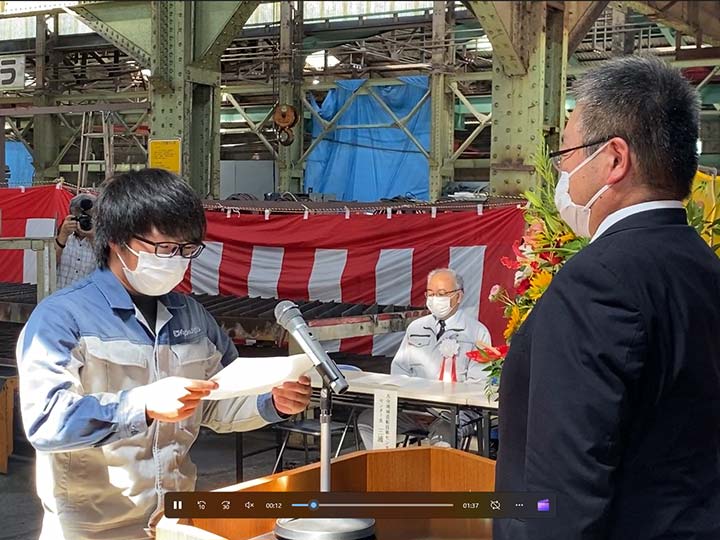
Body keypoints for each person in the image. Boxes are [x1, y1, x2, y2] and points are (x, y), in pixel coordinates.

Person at [17, 169, 312, 540]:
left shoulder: (192, 317)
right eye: (165, 249)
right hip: (91, 528)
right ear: (118, 241)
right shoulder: (62, 318)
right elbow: (46, 422)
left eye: (187, 250)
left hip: (175, 521)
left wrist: (272, 402)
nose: (176, 260)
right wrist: (142, 405)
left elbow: (217, 402)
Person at [494, 56, 720, 540]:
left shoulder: (599, 280)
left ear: (615, 159)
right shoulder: (703, 266)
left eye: (568, 156)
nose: (563, 174)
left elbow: (566, 489)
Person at [357, 268, 491, 449]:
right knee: (368, 420)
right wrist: (412, 403)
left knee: (443, 436)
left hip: (454, 413)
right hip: (414, 408)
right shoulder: (416, 328)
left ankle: (437, 477)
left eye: (442, 294)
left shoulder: (477, 332)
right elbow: (399, 371)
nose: (435, 299)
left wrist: (440, 407)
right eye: (431, 293)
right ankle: (383, 472)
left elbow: (478, 384)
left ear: (459, 296)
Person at [55, 192, 98, 289]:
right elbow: (48, 266)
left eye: (88, 219)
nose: (83, 222)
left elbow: (108, 269)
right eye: (80, 218)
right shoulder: (63, 236)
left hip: (85, 301)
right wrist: (62, 236)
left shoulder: (101, 241)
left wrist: (93, 237)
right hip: (59, 297)